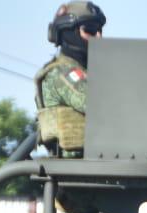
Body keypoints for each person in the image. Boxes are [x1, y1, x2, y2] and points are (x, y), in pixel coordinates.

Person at [35, 2, 106, 158]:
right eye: (91, 31)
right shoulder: (61, 73)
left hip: (96, 167)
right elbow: (102, 106)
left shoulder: (91, 72)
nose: (99, 37)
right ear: (68, 31)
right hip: (76, 173)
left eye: (100, 30)